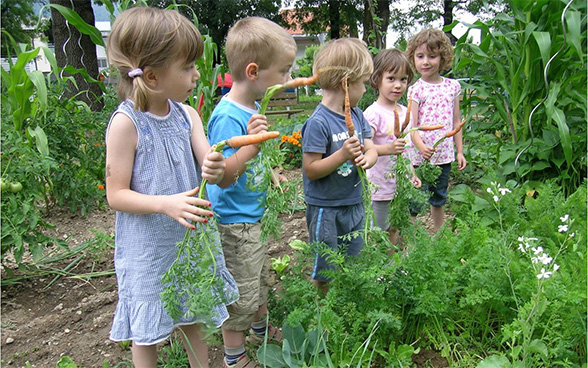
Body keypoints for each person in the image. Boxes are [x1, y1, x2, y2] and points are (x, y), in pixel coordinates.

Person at [104, 7, 238, 368]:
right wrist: (166, 204)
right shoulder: (126, 124)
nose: (197, 74)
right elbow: (116, 194)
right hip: (148, 249)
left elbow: (214, 168)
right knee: (148, 332)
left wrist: (215, 164)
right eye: (188, 67)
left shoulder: (188, 115)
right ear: (151, 77)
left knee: (193, 317)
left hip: (189, 241)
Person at [206, 17, 296, 368]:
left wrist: (270, 171)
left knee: (259, 280)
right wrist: (253, 149)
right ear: (255, 72)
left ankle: (260, 330)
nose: (288, 80)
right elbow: (223, 176)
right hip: (233, 222)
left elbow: (254, 159)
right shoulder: (227, 116)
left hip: (252, 217)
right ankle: (234, 356)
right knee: (240, 293)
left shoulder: (252, 109)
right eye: (284, 72)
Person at [301, 38, 378, 294]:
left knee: (354, 261)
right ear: (346, 83)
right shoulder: (318, 123)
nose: (366, 90)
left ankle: (347, 305)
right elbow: (311, 169)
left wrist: (369, 158)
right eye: (363, 83)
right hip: (326, 208)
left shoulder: (357, 114)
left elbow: (371, 147)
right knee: (324, 270)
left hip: (353, 203)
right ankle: (323, 311)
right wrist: (343, 155)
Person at [405, 29, 467, 232]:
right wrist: (421, 147)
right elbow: (411, 125)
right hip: (420, 156)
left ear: (443, 58)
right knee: (415, 199)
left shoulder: (453, 87)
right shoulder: (415, 89)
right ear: (413, 58)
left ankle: (439, 235)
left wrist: (459, 151)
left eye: (432, 56)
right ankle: (412, 239)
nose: (425, 62)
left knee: (439, 197)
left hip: (444, 155)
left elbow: (456, 122)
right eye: (420, 56)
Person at [364, 49, 421, 246]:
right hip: (380, 186)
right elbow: (365, 148)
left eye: (403, 79)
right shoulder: (372, 113)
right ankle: (382, 269)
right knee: (381, 232)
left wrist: (412, 173)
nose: (398, 85)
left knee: (397, 227)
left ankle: (394, 267)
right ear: (377, 79)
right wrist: (388, 148)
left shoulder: (406, 113)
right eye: (391, 78)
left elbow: (407, 151)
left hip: (401, 185)